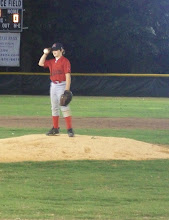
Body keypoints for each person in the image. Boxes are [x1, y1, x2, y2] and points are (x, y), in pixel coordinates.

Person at [38, 42, 74, 137]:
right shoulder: (51, 62)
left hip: (62, 85)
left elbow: (68, 76)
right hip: (53, 85)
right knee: (54, 107)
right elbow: (41, 63)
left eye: (56, 50)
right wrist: (45, 53)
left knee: (64, 106)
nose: (54, 52)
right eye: (53, 50)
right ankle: (55, 128)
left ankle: (69, 129)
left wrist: (67, 90)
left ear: (61, 50)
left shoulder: (65, 61)